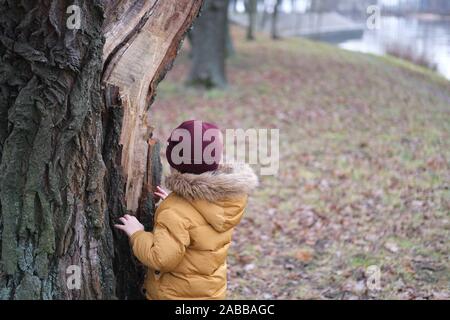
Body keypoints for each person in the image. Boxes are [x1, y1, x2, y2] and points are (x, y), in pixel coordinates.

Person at [115, 120, 258, 299]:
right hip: (212, 293)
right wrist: (177, 203)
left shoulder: (175, 212)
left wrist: (138, 234)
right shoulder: (226, 200)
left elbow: (161, 258)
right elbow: (197, 223)